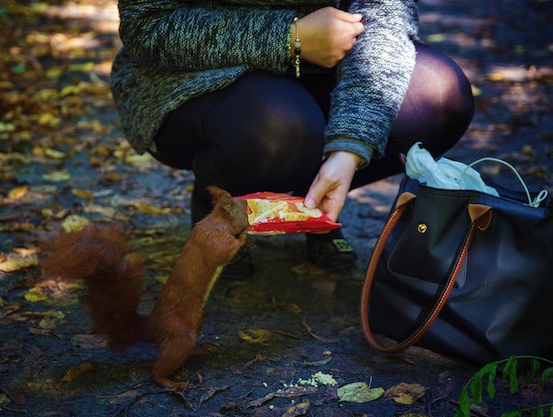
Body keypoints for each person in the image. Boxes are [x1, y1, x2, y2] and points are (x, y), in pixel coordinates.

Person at [109, 0, 475, 277]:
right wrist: (290, 37)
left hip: (335, 58)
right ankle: (219, 201)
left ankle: (308, 204)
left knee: (441, 97)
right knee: (278, 128)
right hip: (194, 72)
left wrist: (352, 144)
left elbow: (386, 10)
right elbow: (150, 25)